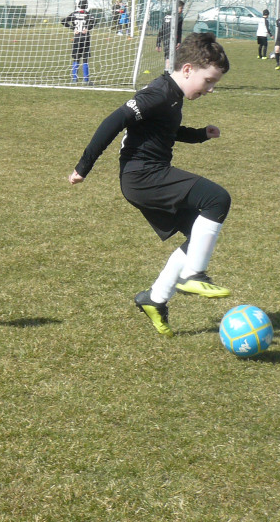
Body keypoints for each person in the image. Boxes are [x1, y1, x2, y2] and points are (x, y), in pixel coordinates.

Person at [68, 32, 232, 337]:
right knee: (217, 199)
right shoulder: (157, 93)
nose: (210, 89)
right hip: (143, 177)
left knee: (198, 234)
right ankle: (193, 274)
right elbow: (113, 121)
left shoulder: (172, 94)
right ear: (187, 70)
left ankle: (154, 299)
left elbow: (164, 129)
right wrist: (83, 167)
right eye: (208, 81)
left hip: (146, 176)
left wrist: (199, 134)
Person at [62, 0, 96, 84]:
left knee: (76, 58)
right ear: (86, 5)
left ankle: (74, 79)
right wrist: (87, 28)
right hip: (85, 38)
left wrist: (73, 28)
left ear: (78, 5)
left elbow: (63, 21)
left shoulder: (74, 14)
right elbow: (94, 22)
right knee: (85, 58)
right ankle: (86, 80)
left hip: (77, 38)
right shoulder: (88, 15)